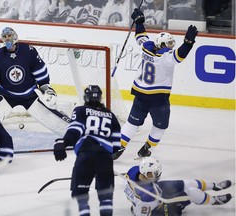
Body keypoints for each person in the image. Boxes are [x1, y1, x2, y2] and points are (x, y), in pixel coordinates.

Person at [112, 8, 198, 160]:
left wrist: (139, 22)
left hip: (140, 94)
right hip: (158, 99)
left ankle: (119, 147)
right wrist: (188, 44)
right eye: (169, 43)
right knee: (160, 126)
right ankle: (147, 148)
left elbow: (140, 36)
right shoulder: (165, 58)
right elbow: (180, 54)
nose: (171, 46)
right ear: (162, 44)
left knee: (132, 123)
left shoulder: (146, 47)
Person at [0, 27, 69, 136]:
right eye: (5, 37)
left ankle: (75, 133)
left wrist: (45, 88)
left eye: (9, 35)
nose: (7, 39)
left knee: (55, 119)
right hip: (5, 94)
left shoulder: (29, 51)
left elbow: (40, 72)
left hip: (30, 94)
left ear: (15, 36)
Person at [53, 85, 121, 216]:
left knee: (80, 194)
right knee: (106, 196)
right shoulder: (111, 116)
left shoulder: (80, 110)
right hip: (105, 158)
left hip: (86, 155)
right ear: (100, 98)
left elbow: (74, 131)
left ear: (85, 97)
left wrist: (63, 143)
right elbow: (117, 146)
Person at [123, 157, 232, 216]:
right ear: (148, 174)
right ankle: (214, 200)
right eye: (154, 174)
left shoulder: (133, 172)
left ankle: (215, 186)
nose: (157, 175)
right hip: (160, 208)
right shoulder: (146, 197)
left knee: (187, 183)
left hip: (155, 191)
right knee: (191, 192)